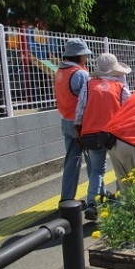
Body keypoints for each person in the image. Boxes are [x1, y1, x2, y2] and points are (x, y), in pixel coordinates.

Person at [74, 53, 132, 220]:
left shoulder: (88, 85)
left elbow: (79, 112)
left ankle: (92, 203)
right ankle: (121, 202)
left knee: (97, 170)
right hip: (114, 134)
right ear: (115, 70)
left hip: (91, 134)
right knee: (120, 168)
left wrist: (79, 130)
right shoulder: (120, 87)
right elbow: (128, 110)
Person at [54, 38, 92, 207]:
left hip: (66, 121)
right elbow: (89, 98)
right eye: (85, 55)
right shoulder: (80, 74)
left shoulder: (60, 72)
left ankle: (67, 198)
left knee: (71, 160)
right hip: (81, 124)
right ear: (79, 56)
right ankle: (96, 195)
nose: (86, 58)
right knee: (94, 161)